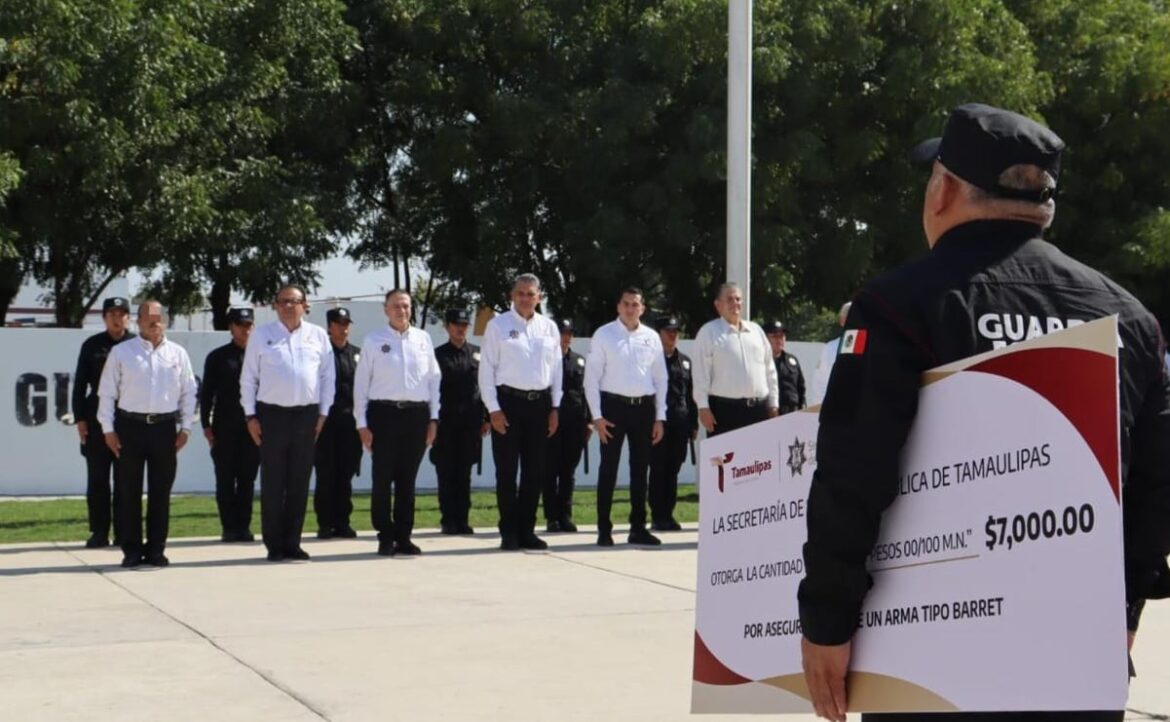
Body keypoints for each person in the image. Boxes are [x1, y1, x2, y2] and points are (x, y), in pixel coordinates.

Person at [798, 103, 1170, 722]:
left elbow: (853, 471)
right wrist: (1122, 615)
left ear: (942, 190)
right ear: (1042, 207)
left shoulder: (895, 306)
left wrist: (826, 621)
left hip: (929, 662)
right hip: (1075, 658)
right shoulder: (1130, 318)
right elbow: (1154, 489)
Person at [97, 301, 197, 568]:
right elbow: (106, 393)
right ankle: (131, 550)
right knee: (128, 492)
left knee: (160, 492)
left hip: (164, 428)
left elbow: (189, 392)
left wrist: (186, 427)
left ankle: (156, 550)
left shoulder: (177, 354)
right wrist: (108, 429)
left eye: (159, 317)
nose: (154, 322)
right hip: (130, 427)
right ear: (138, 320)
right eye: (148, 317)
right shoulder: (121, 353)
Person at [241, 284, 335, 562]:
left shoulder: (317, 335)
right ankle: (274, 544)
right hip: (272, 416)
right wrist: (250, 416)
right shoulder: (262, 336)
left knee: (299, 481)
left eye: (294, 301)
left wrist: (323, 414)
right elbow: (248, 379)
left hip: (307, 416)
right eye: (283, 301)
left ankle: (293, 542)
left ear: (305, 304)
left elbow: (328, 377)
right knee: (273, 482)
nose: (288, 306)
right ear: (275, 305)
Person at [478, 273, 563, 551]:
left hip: (539, 405)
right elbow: (486, 371)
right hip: (508, 404)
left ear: (540, 297)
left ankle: (527, 529)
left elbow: (556, 371)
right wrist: (494, 409)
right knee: (506, 471)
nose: (526, 298)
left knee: (534, 472)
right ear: (512, 296)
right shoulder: (497, 326)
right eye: (521, 293)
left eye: (531, 293)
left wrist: (554, 407)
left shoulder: (549, 328)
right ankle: (509, 531)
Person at [354, 290, 440, 556]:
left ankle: (404, 535)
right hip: (384, 415)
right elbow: (361, 385)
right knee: (383, 478)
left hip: (416, 416)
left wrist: (433, 419)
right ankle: (385, 534)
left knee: (407, 480)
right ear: (386, 309)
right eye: (396, 306)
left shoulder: (423, 339)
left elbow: (434, 382)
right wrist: (362, 423)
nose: (401, 311)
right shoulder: (373, 340)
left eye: (406, 306)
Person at [584, 287, 669, 547]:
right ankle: (603, 528)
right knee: (608, 469)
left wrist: (659, 417)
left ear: (643, 308)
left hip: (643, 410)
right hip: (613, 409)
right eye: (626, 304)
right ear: (618, 306)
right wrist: (597, 417)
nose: (631, 309)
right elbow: (591, 378)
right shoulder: (604, 334)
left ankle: (638, 528)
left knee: (640, 470)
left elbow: (660, 378)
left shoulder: (652, 337)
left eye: (635, 304)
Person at [72, 296, 131, 548]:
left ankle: (123, 531)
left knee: (126, 480)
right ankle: (99, 531)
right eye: (111, 314)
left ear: (128, 317)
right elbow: (79, 385)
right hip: (96, 420)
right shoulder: (92, 345)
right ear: (104, 317)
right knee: (97, 479)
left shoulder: (137, 345)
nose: (116, 318)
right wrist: (80, 419)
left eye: (121, 314)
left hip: (129, 420)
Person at [200, 307, 259, 542]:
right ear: (231, 327)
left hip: (252, 427)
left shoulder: (261, 355)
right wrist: (206, 424)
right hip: (225, 426)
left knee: (247, 479)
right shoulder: (218, 357)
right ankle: (229, 526)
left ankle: (243, 527)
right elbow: (207, 394)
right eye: (240, 324)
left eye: (249, 325)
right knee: (225, 479)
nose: (245, 329)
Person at [691, 283, 779, 436]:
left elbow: (769, 370)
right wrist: (703, 407)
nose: (735, 303)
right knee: (725, 459)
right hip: (724, 412)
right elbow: (700, 374)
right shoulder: (709, 332)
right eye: (730, 299)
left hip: (758, 411)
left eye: (738, 299)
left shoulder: (756, 331)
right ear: (718, 305)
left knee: (758, 459)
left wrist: (773, 404)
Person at [432, 308, 488, 536]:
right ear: (447, 326)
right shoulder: (437, 355)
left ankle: (462, 519)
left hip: (470, 424)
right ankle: (448, 519)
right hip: (445, 424)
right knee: (446, 473)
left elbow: (484, 388)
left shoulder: (478, 354)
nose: (461, 328)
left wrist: (485, 418)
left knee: (465, 474)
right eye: (456, 324)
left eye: (464, 324)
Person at [314, 307, 362, 540]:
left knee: (346, 474)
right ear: (330, 326)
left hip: (350, 424)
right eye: (339, 323)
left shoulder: (358, 354)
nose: (344, 328)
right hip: (326, 423)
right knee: (326, 474)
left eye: (347, 323)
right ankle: (325, 523)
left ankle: (343, 521)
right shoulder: (321, 353)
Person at [648, 315, 697, 532]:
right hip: (660, 423)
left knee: (673, 469)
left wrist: (693, 423)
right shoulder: (651, 359)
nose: (673, 334)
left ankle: (669, 513)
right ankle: (658, 515)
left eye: (676, 331)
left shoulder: (685, 361)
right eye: (668, 331)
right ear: (658, 333)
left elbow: (690, 393)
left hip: (681, 422)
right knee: (658, 469)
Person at [544, 318, 591, 533]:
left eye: (569, 333)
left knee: (568, 471)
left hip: (576, 422)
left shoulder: (580, 361)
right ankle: (551, 517)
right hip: (554, 422)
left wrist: (589, 421)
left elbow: (587, 392)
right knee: (550, 470)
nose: (566, 337)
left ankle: (566, 515)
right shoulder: (547, 360)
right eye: (563, 333)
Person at [808, 302, 850, 406]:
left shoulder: (873, 347)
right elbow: (819, 384)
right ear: (842, 321)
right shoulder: (830, 348)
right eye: (849, 317)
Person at [764, 320, 806, 414]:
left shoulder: (792, 361)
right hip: (770, 415)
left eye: (782, 336)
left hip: (792, 414)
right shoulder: (760, 362)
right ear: (765, 339)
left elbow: (801, 387)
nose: (779, 340)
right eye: (775, 336)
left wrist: (802, 406)